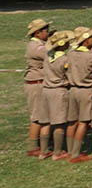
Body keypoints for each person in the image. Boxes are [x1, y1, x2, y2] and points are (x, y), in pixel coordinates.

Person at [66, 26, 92, 163]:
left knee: (72, 121)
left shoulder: (71, 54)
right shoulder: (91, 57)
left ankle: (70, 150)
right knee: (83, 122)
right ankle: (76, 153)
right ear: (86, 41)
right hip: (86, 90)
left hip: (72, 89)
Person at [38, 30, 74, 160]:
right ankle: (57, 152)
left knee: (45, 122)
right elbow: (69, 75)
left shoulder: (48, 56)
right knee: (59, 123)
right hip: (59, 90)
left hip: (46, 90)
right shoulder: (65, 59)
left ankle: (43, 151)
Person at [25, 19, 52, 157]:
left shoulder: (39, 44)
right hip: (36, 83)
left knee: (42, 114)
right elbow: (50, 55)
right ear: (37, 33)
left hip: (39, 82)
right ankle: (33, 146)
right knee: (37, 116)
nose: (48, 33)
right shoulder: (36, 47)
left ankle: (42, 143)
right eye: (46, 31)